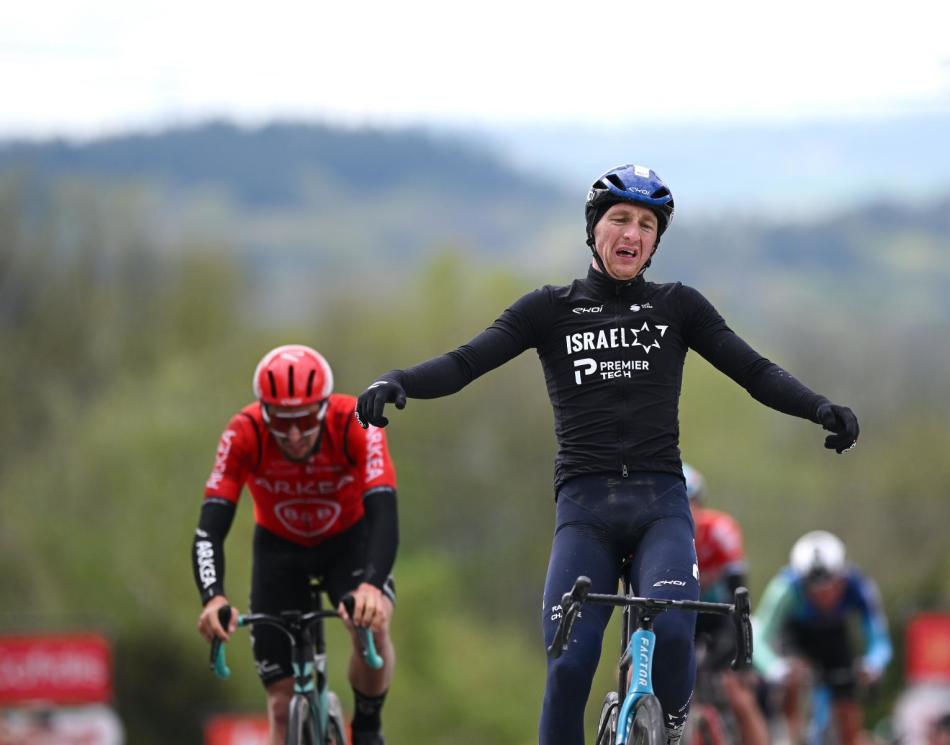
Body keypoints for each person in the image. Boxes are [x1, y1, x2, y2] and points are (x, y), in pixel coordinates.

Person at [354, 164, 859, 745]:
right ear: (594, 229)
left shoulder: (679, 307)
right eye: (619, 218)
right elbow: (466, 361)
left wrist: (818, 407)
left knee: (673, 633)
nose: (632, 232)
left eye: (647, 224)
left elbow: (754, 370)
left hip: (660, 505)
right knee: (569, 666)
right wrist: (399, 381)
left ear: (655, 242)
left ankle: (669, 729)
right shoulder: (549, 309)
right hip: (586, 510)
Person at [193, 344, 399, 745]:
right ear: (263, 413)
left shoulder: (356, 421)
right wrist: (213, 598)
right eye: (281, 421)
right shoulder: (243, 432)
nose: (292, 434)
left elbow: (385, 513)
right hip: (280, 550)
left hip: (349, 542)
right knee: (279, 706)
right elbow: (209, 529)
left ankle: (369, 725)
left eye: (304, 420)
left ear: (322, 409)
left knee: (371, 626)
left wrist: (371, 588)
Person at [752, 531, 891, 745]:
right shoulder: (785, 588)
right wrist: (773, 667)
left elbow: (878, 637)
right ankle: (791, 736)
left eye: (830, 588)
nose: (823, 596)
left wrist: (872, 665)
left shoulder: (858, 586)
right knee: (794, 675)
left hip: (835, 638)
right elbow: (758, 635)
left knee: (848, 712)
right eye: (813, 591)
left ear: (841, 577)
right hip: (796, 637)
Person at [683, 463, 769, 745]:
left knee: (735, 691)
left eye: (690, 503)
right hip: (682, 617)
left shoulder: (720, 529)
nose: (686, 512)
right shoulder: (655, 537)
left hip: (721, 618)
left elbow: (739, 593)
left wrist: (743, 648)